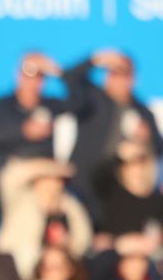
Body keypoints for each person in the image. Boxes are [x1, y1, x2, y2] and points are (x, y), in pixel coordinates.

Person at [63, 50, 163, 217]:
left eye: (123, 73)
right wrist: (96, 60)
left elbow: (159, 147)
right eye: (112, 72)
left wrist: (146, 139)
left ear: (132, 79)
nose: (116, 79)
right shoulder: (94, 98)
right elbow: (69, 77)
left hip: (118, 187)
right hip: (83, 179)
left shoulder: (142, 111)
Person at [0, 53, 68, 187]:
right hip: (13, 174)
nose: (32, 81)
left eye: (39, 76)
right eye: (27, 73)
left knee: (69, 201)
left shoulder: (51, 104)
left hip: (46, 177)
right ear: (18, 75)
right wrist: (24, 131)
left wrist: (59, 72)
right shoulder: (0, 105)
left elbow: (79, 102)